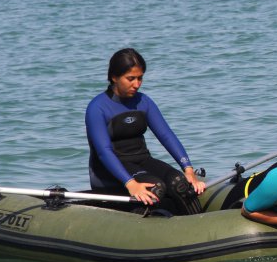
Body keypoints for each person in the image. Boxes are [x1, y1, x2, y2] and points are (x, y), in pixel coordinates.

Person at [85, 48, 206, 215]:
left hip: (142, 160)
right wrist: (130, 183)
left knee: (179, 183)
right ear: (114, 77)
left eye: (140, 78)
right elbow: (103, 152)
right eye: (131, 79)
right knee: (155, 187)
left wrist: (188, 169)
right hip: (110, 170)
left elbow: (166, 135)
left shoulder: (143, 101)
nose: (137, 84)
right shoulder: (97, 108)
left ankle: (198, 226)